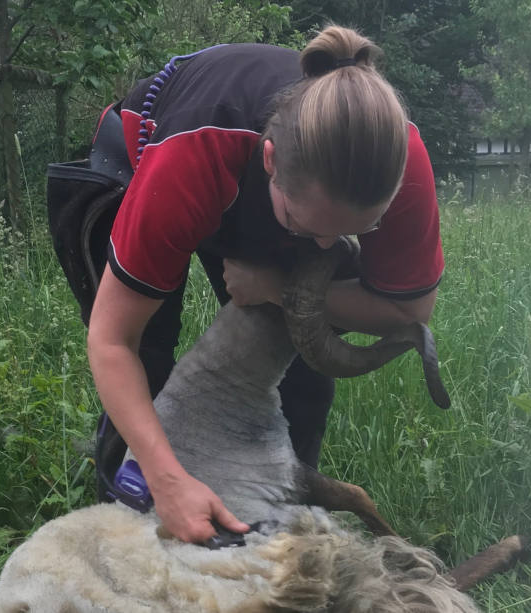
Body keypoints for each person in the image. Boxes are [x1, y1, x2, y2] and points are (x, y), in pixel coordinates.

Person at [82, 25, 444, 544]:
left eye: (355, 231)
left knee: (305, 372)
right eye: (307, 228)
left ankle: (277, 530)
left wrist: (282, 288)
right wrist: (168, 480)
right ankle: (123, 519)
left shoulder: (398, 160)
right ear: (271, 162)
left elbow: (409, 312)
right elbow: (112, 341)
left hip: (261, 192)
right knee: (151, 358)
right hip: (148, 157)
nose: (325, 249)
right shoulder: (193, 156)